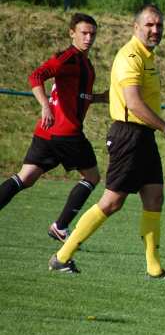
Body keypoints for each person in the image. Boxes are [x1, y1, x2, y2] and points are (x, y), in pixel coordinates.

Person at [49, 3, 165, 278]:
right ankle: (62, 257)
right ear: (136, 27)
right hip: (129, 135)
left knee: (154, 198)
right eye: (149, 25)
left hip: (143, 136)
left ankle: (154, 267)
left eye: (159, 25)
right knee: (112, 202)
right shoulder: (130, 55)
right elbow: (133, 103)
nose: (155, 30)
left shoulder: (148, 57)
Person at [0, 13, 107, 240]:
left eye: (92, 34)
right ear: (72, 33)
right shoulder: (68, 58)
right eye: (84, 33)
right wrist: (45, 106)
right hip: (66, 133)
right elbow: (36, 76)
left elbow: (78, 96)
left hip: (46, 133)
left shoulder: (84, 63)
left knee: (26, 177)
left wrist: (100, 98)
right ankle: (60, 226)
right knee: (92, 177)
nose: (89, 38)